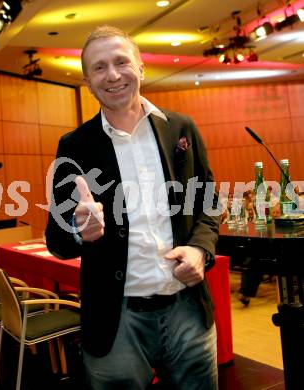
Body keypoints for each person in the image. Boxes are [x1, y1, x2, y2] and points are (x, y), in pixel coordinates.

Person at [45, 25, 220, 390]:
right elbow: (57, 240)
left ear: (140, 68)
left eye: (121, 62)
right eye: (99, 67)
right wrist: (80, 231)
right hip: (116, 318)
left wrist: (200, 250)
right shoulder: (75, 146)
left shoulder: (181, 128)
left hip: (188, 309)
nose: (112, 75)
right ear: (88, 82)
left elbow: (208, 203)